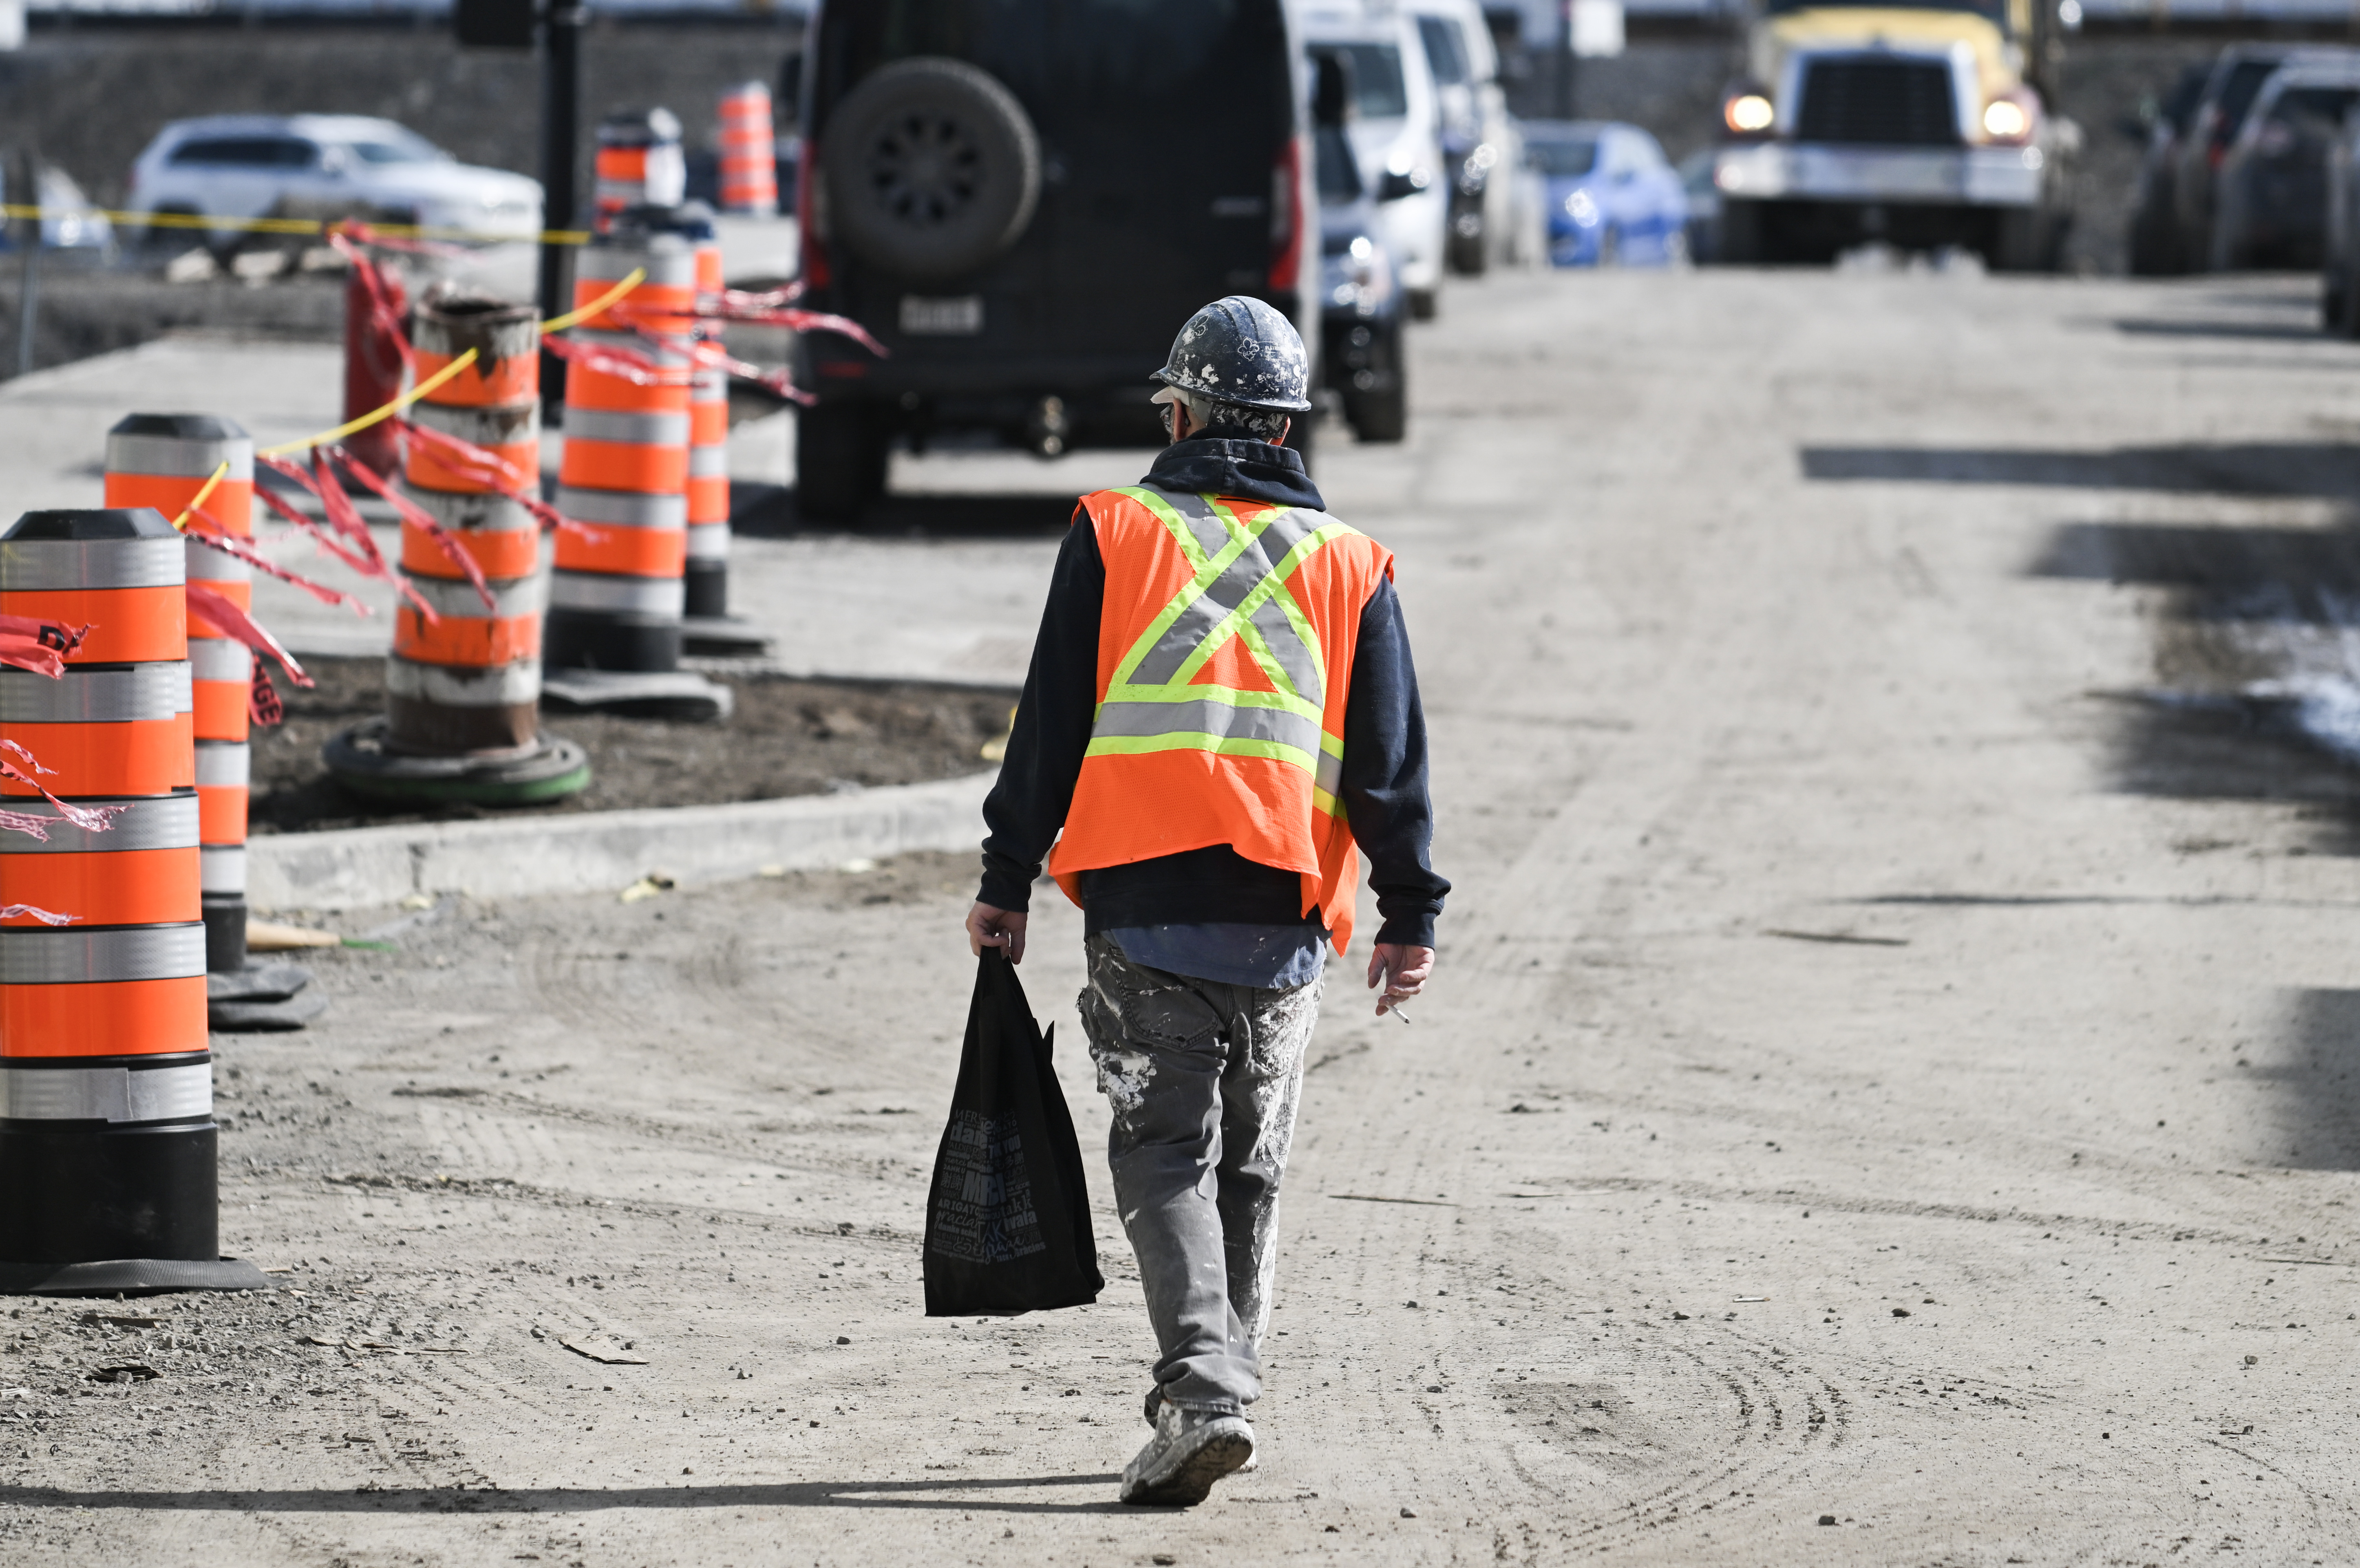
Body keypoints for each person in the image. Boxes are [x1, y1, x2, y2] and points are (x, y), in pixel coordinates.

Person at [964, 296, 1448, 1506]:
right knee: (1253, 1163)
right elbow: (1389, 757)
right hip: (1285, 917)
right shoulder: (1351, 562)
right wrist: (1410, 913)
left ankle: (1205, 1391)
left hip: (1142, 906)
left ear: (1176, 412)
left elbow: (1051, 721)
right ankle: (1220, 1382)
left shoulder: (1116, 530)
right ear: (1288, 431)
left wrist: (1006, 876)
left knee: (1165, 1150)